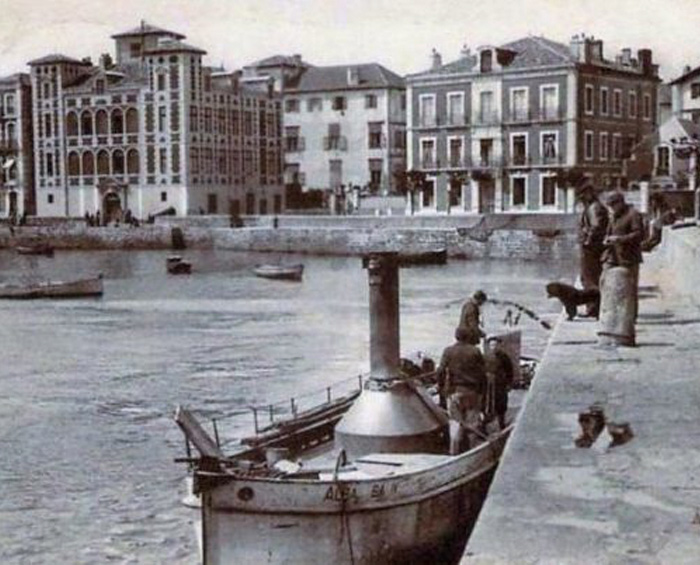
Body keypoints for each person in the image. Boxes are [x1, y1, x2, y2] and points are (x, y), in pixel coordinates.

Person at [436, 326, 488, 454]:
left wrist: (442, 388)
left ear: (456, 337)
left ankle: (453, 453)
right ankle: (472, 452)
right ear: (468, 337)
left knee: (455, 424)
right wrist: (482, 393)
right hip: (472, 392)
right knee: (472, 425)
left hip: (454, 392)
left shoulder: (448, 351)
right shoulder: (475, 351)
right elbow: (482, 374)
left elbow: (440, 371)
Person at [601, 191, 644, 322]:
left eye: (613, 204)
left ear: (621, 202)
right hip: (612, 255)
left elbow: (639, 234)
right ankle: (610, 313)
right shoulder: (613, 215)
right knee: (604, 281)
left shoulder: (633, 214)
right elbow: (609, 231)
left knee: (629, 288)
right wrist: (607, 239)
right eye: (609, 205)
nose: (611, 207)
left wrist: (620, 239)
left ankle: (630, 317)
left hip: (628, 257)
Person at [577, 182, 608, 318]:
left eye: (583, 195)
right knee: (592, 277)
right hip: (596, 247)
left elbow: (595, 227)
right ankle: (594, 308)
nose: (581, 198)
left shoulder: (594, 208)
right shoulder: (595, 207)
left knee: (589, 278)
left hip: (591, 248)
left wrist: (587, 240)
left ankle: (593, 309)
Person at [484, 336, 514, 430]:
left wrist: (509, 383)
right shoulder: (484, 357)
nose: (494, 347)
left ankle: (502, 423)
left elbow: (509, 370)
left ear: (499, 346)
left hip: (500, 383)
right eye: (492, 345)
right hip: (488, 383)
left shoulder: (504, 357)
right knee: (487, 403)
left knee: (501, 402)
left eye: (496, 345)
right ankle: (484, 424)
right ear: (489, 346)